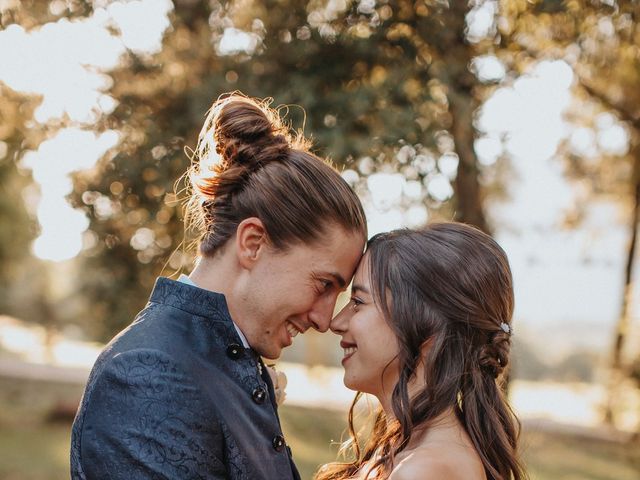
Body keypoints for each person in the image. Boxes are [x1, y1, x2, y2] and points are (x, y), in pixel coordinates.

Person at [70, 93, 367, 480]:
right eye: (324, 284)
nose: (325, 319)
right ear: (253, 243)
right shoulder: (149, 374)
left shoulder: (222, 356)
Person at [318, 223, 528, 480]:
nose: (336, 322)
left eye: (358, 302)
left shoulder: (424, 470)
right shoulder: (407, 452)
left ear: (428, 329)